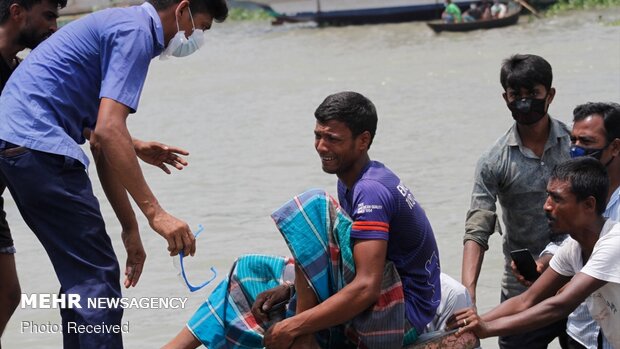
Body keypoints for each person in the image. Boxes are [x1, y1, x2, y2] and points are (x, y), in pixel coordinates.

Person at [163, 92, 480, 349]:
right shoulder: (352, 181)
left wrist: (293, 325)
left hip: (401, 315)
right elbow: (341, 255)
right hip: (387, 294)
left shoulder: (371, 191)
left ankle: (304, 340)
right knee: (248, 271)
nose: (321, 147)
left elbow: (367, 286)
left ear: (363, 140)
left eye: (333, 139)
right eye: (318, 136)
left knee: (312, 207)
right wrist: (290, 289)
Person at [0, 0, 228, 347]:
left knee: (85, 276)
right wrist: (157, 214)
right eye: (201, 26)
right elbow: (109, 130)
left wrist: (130, 230)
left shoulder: (122, 25)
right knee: (95, 280)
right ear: (182, 10)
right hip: (37, 146)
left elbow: (102, 140)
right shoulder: (136, 33)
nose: (195, 38)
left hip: (19, 145)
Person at [448, 157, 620, 348]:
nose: (546, 206)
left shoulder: (613, 243)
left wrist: (487, 328)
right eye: (548, 196)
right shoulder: (574, 247)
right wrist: (471, 324)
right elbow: (526, 300)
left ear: (589, 205)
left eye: (557, 198)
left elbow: (560, 305)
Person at [462, 53, 570, 349]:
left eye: (533, 94)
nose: (524, 102)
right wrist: (467, 292)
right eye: (516, 95)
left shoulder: (576, 147)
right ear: (505, 98)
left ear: (550, 95)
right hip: (522, 288)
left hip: (578, 280)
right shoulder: (494, 160)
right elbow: (478, 224)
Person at [512, 102, 620, 349]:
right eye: (574, 141)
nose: (576, 149)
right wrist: (547, 260)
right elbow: (573, 238)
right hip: (582, 328)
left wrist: (571, 282)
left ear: (614, 146)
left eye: (587, 142)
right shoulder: (574, 184)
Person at [0, 0, 66, 342]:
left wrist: (134, 144)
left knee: (8, 295)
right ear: (16, 12)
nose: (53, 27)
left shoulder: (20, 73)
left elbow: (58, 118)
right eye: (48, 16)